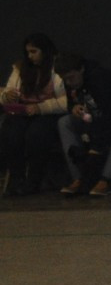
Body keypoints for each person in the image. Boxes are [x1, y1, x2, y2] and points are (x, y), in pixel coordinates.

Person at [54, 51, 111, 196]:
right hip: (96, 117)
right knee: (65, 122)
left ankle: (107, 178)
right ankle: (79, 177)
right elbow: (72, 102)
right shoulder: (71, 80)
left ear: (81, 69)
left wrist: (96, 148)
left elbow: (110, 115)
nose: (69, 83)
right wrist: (73, 108)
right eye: (65, 79)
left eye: (71, 78)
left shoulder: (100, 79)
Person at [0, 33, 69, 195]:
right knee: (12, 133)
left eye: (34, 51)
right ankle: (16, 178)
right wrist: (7, 96)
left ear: (45, 50)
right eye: (28, 52)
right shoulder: (20, 68)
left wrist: (41, 108)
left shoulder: (58, 68)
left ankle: (34, 179)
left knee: (37, 134)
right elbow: (7, 91)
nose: (30, 56)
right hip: (23, 111)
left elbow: (67, 99)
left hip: (48, 112)